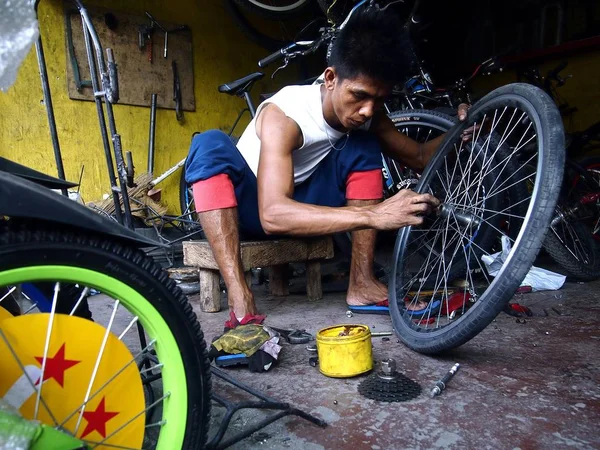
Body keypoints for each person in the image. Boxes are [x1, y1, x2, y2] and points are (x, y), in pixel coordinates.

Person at [185, 6, 471, 325]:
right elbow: (273, 216)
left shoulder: (368, 117)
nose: (366, 110)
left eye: (379, 100)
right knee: (208, 143)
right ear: (331, 78)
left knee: (362, 141)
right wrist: (376, 213)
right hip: (249, 212)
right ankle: (241, 298)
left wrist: (463, 130)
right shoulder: (286, 116)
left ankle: (362, 283)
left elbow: (418, 157)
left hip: (304, 209)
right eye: (359, 96)